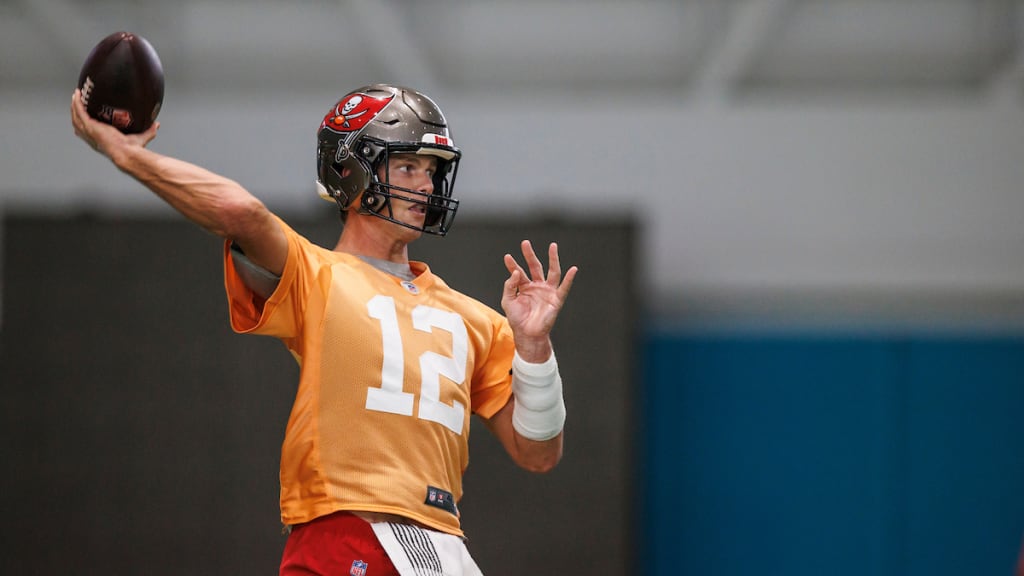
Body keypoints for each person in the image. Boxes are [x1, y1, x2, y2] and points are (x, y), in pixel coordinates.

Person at [70, 83, 577, 575]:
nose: (425, 184)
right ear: (350, 172)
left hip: (440, 546)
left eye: (430, 171)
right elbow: (240, 213)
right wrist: (128, 155)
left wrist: (535, 348)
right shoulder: (318, 275)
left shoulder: (479, 319)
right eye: (406, 165)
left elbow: (538, 454)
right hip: (352, 531)